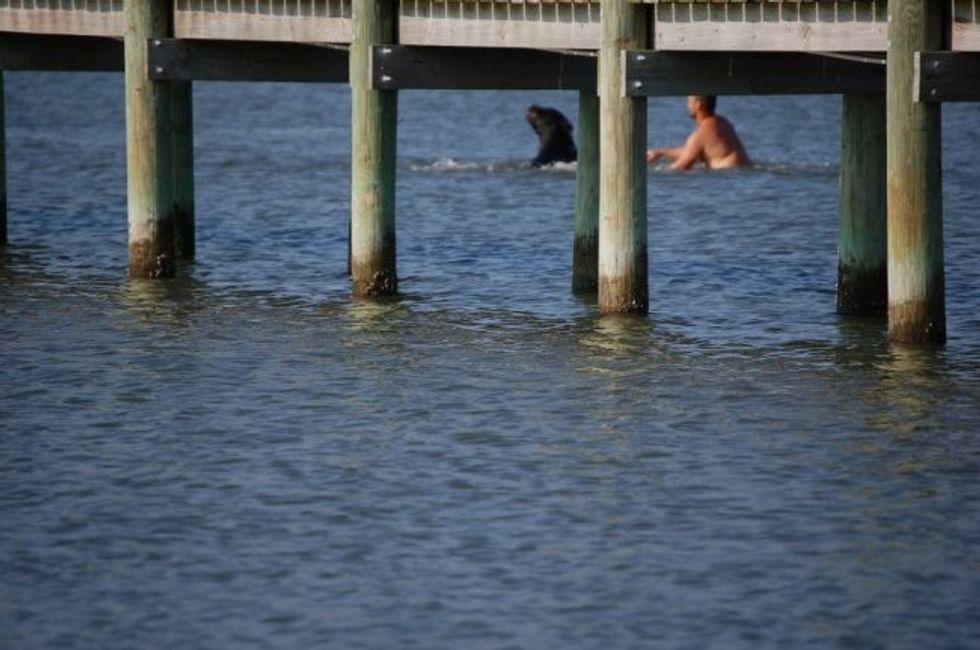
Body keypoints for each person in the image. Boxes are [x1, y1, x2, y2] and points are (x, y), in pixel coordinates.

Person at [646, 95, 750, 170]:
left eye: (689, 101)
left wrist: (655, 172)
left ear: (698, 105)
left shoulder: (700, 135)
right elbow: (691, 151)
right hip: (741, 173)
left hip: (725, 177)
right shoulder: (723, 123)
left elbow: (679, 168)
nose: (687, 105)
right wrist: (661, 152)